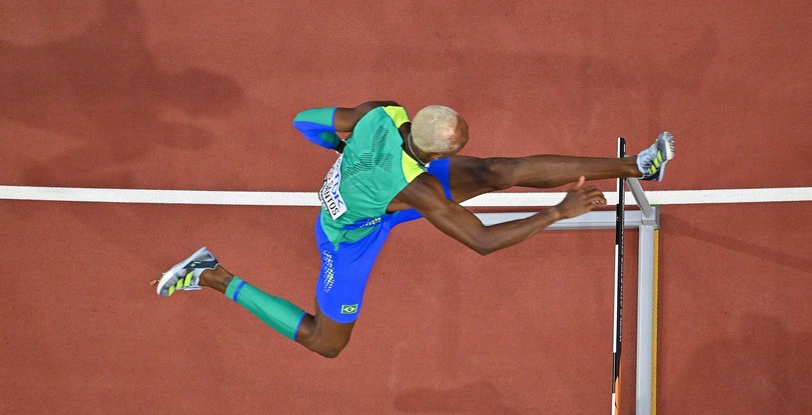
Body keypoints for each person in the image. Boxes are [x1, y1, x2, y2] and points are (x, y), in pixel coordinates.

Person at [154, 101, 674, 358]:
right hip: (348, 237)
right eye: (459, 143)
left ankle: (640, 165)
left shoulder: (381, 112)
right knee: (325, 341)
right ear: (436, 150)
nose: (465, 147)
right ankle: (212, 273)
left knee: (497, 170)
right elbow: (482, 241)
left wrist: (344, 151)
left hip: (382, 190)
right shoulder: (419, 189)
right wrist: (558, 212)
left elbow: (304, 120)